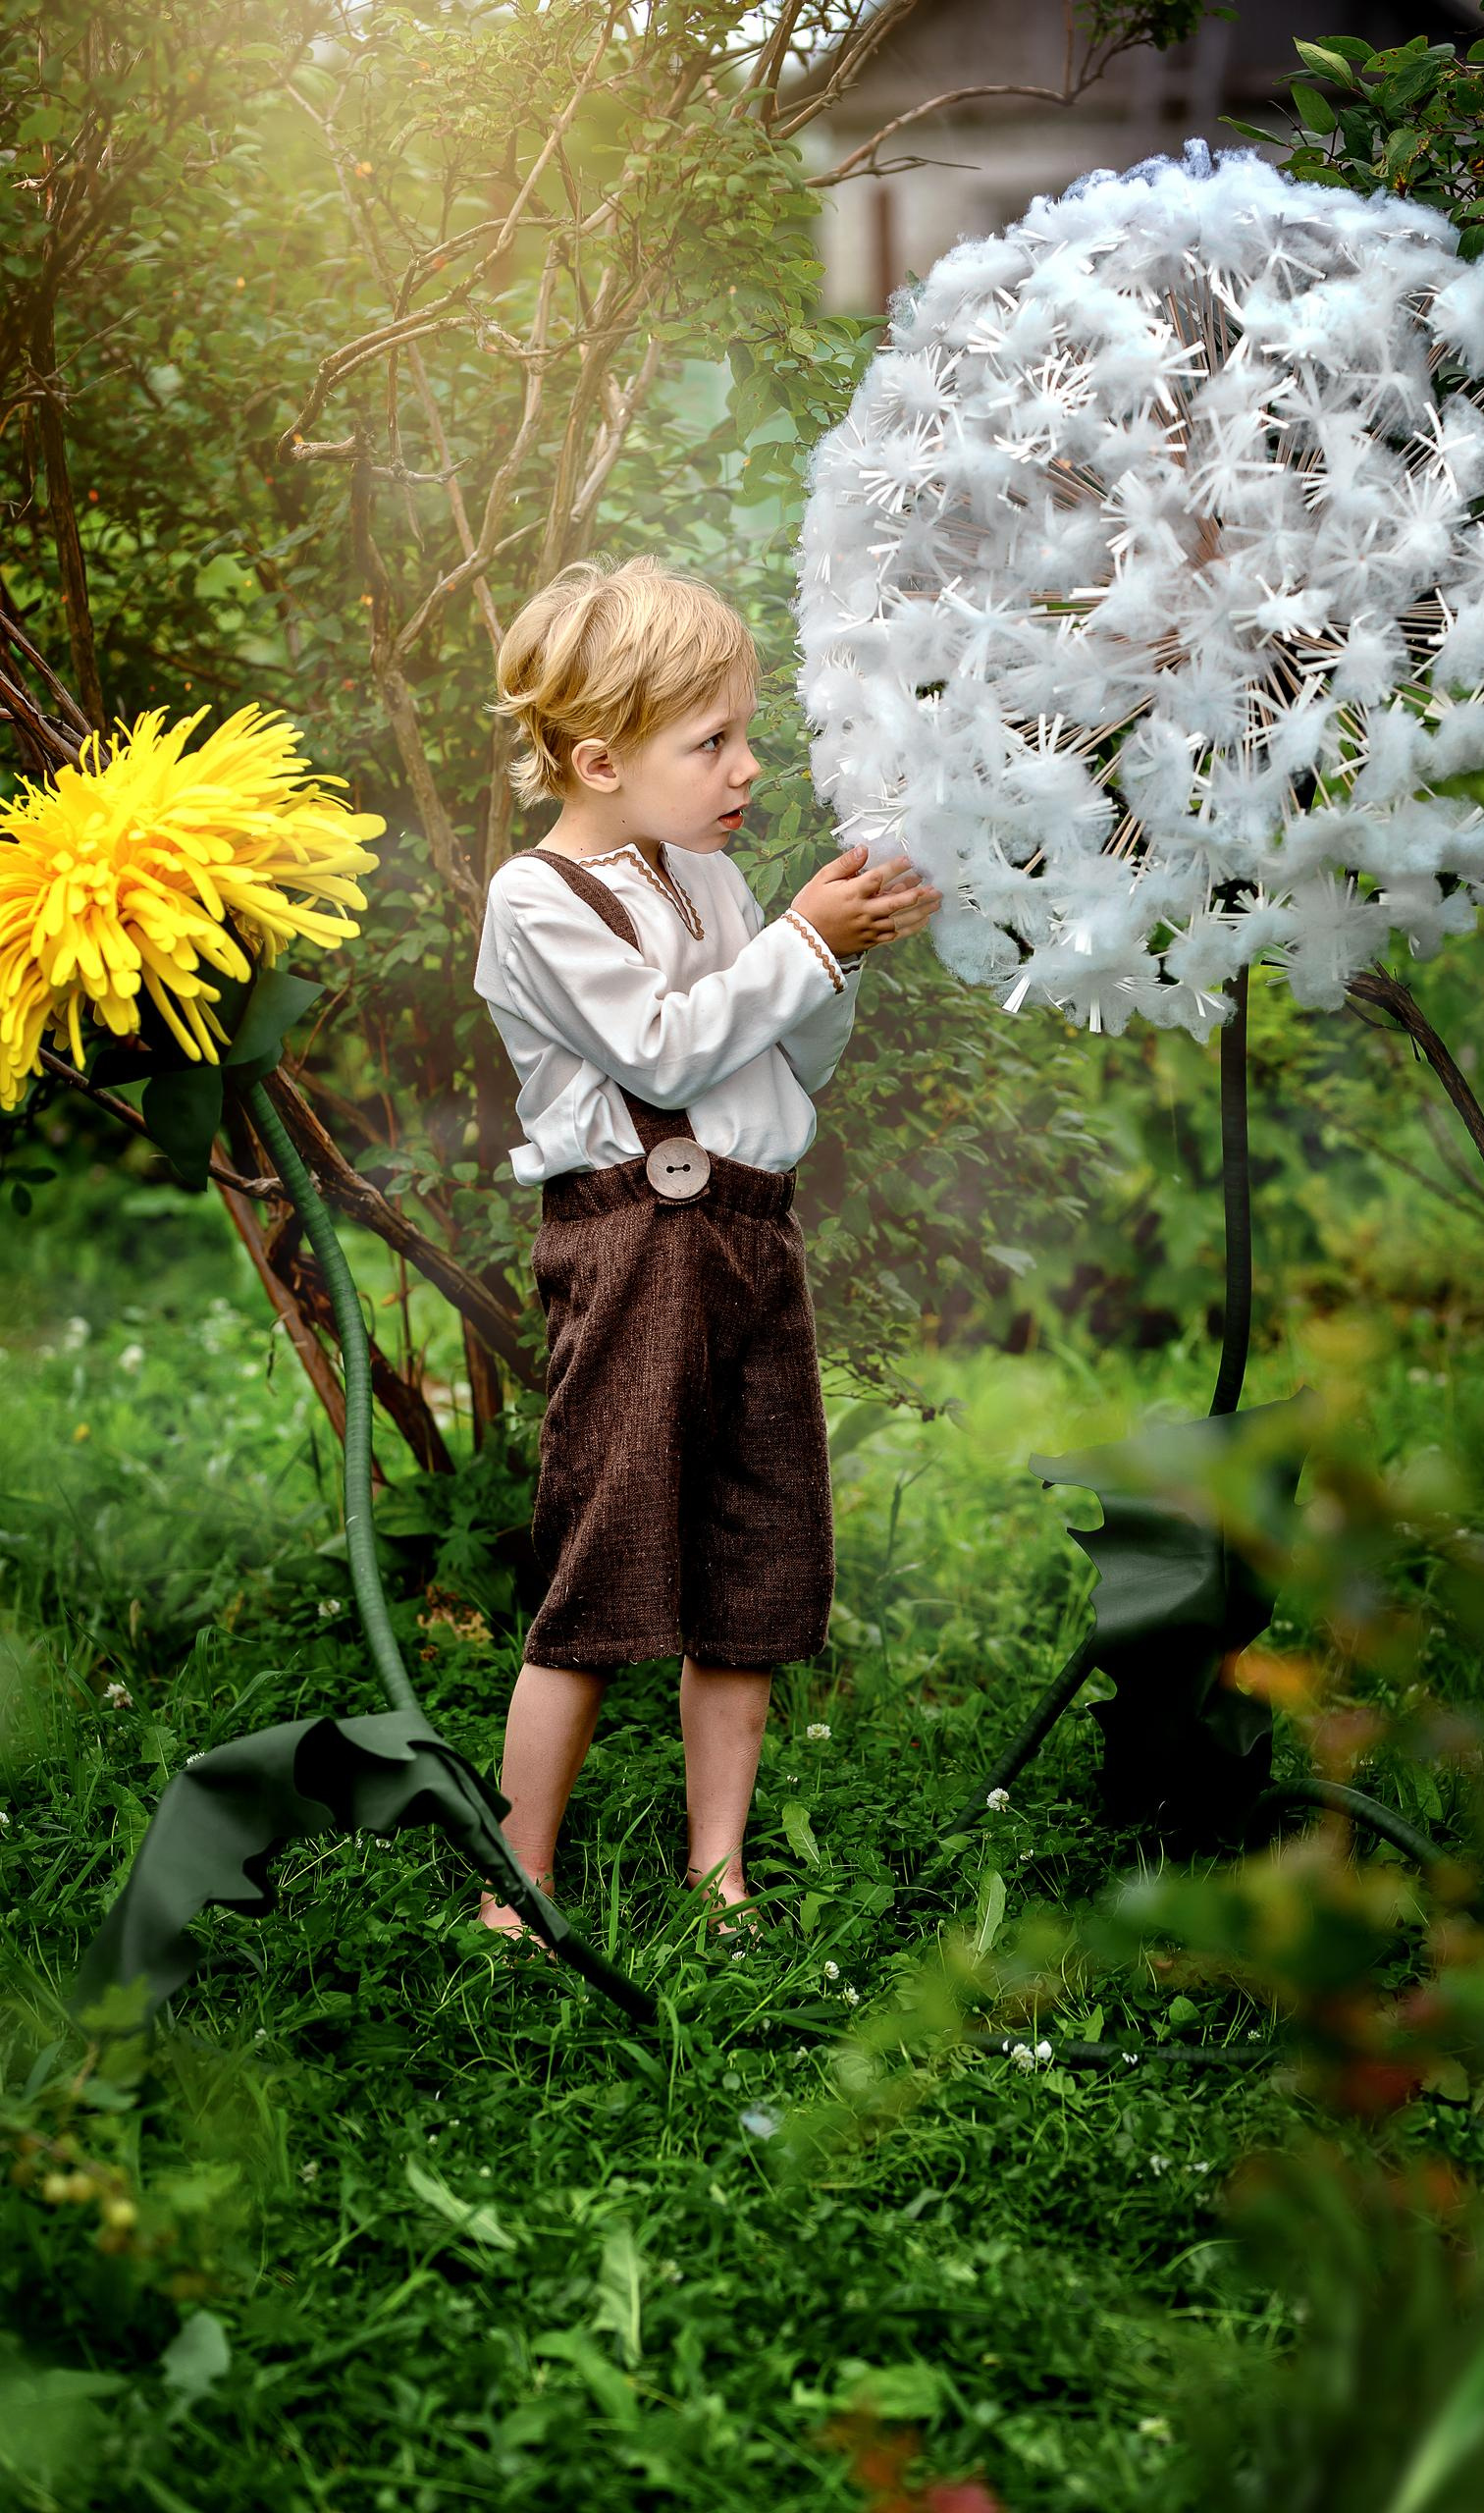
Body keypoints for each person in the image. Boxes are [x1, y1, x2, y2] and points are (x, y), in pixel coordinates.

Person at [470, 553, 940, 1943]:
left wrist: (834, 954)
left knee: (756, 1542)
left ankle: (716, 1872)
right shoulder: (538, 899)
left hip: (744, 1235)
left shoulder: (704, 880)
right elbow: (658, 1043)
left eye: (746, 734)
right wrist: (800, 936)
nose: (747, 767)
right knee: (606, 1549)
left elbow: (785, 1060)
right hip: (633, 1244)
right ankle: (520, 1885)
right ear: (599, 758)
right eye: (713, 742)